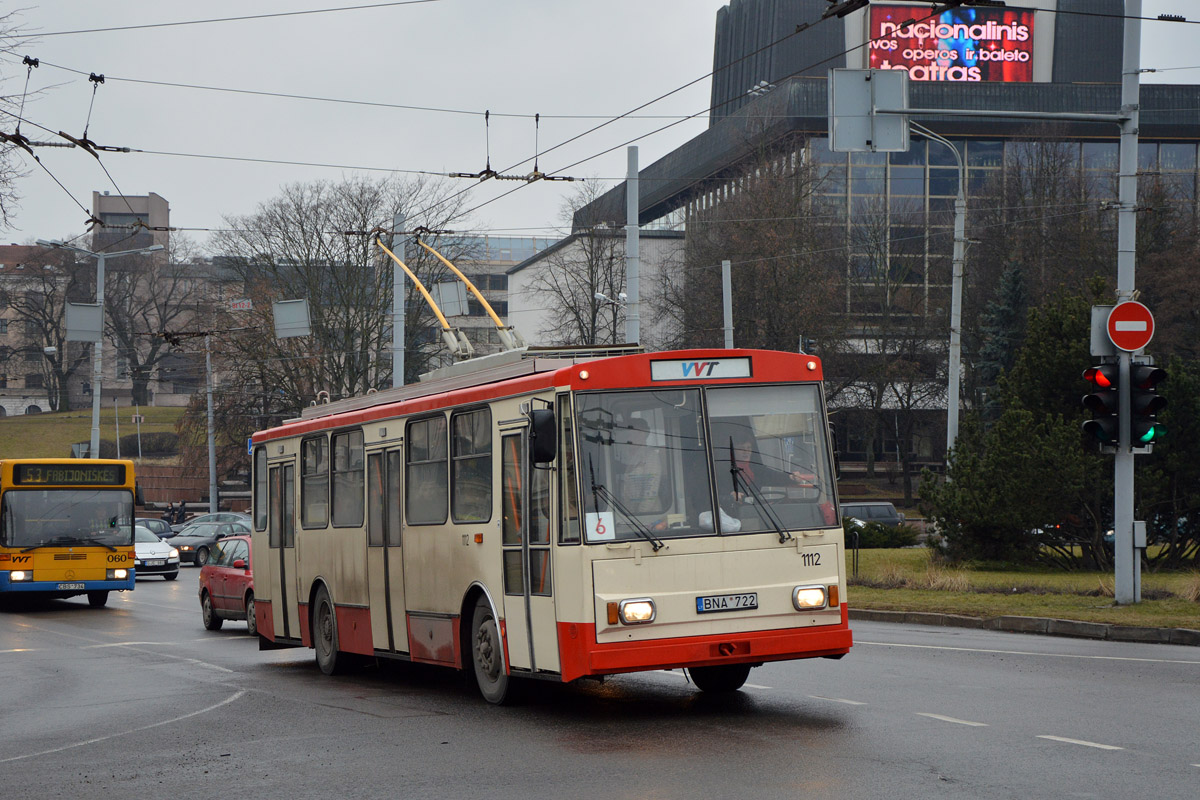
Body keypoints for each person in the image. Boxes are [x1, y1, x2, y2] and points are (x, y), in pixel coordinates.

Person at [611, 418, 669, 517]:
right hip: (632, 514)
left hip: (648, 516)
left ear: (642, 435)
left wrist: (640, 514)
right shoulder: (630, 458)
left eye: (631, 434)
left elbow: (650, 493)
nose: (628, 438)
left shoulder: (650, 456)